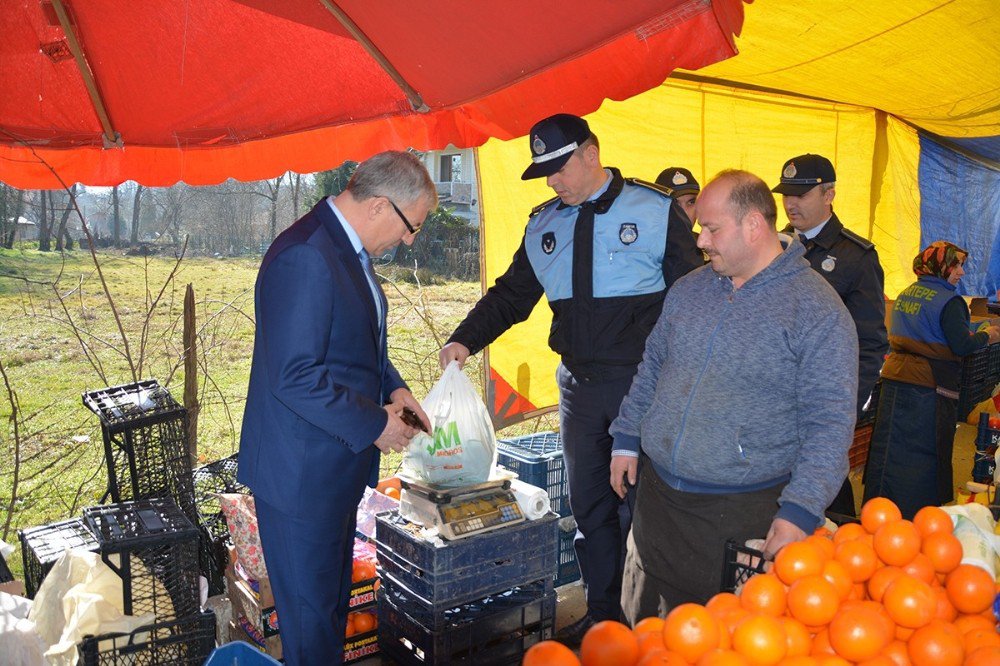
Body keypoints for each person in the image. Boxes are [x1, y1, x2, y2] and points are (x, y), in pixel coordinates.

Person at [439, 113, 703, 642]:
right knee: (589, 506)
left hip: (640, 386)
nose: (553, 181)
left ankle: (644, 623)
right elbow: (512, 295)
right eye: (545, 173)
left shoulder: (653, 211)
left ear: (591, 152)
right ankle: (604, 617)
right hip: (579, 388)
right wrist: (463, 340)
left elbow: (694, 296)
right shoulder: (543, 225)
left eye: (560, 168)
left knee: (642, 507)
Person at [609, 170, 858, 619]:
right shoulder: (688, 290)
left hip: (738, 517)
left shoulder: (816, 310)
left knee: (717, 640)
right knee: (641, 636)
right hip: (657, 505)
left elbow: (830, 423)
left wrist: (800, 510)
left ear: (754, 226)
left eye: (712, 228)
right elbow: (652, 369)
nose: (700, 240)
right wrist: (627, 437)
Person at [237, 151, 436, 665]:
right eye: (412, 225)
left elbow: (357, 347)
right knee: (310, 622)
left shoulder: (347, 250)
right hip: (302, 474)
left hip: (330, 466)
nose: (410, 239)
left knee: (327, 607)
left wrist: (394, 391)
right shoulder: (306, 255)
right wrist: (376, 426)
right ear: (379, 206)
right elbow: (294, 375)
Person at [772, 153, 889, 516]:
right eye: (786, 194)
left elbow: (870, 343)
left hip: (823, 401)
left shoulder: (856, 257)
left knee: (823, 497)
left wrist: (844, 407)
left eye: (801, 195)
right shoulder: (772, 248)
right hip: (773, 398)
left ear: (829, 195)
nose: (791, 203)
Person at [863, 242, 1000, 519]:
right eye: (956, 265)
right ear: (941, 267)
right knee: (924, 453)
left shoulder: (906, 294)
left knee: (889, 449)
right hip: (928, 388)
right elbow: (961, 345)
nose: (961, 272)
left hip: (894, 380)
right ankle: (917, 517)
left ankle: (879, 510)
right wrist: (988, 335)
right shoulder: (950, 302)